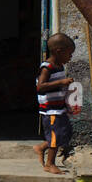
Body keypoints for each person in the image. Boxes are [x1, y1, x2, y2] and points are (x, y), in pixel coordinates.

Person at [33, 33, 76, 174]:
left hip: (59, 108)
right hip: (50, 110)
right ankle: (49, 164)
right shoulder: (47, 67)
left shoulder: (59, 66)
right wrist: (61, 82)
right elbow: (41, 86)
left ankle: (41, 147)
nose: (70, 57)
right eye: (69, 54)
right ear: (59, 51)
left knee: (65, 133)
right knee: (56, 136)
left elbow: (57, 88)